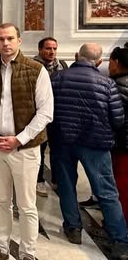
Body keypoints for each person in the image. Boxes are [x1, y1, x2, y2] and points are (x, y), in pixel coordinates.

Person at [0, 23, 53, 260]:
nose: (5, 43)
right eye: (1, 39)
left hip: (25, 149)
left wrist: (19, 139)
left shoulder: (36, 70)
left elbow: (46, 112)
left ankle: (28, 254)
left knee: (26, 206)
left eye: (10, 38)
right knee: (1, 200)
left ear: (19, 40)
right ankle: (1, 249)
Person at [49, 43, 128, 259]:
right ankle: (120, 240)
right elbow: (118, 119)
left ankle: (73, 228)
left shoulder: (56, 78)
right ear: (99, 61)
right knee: (106, 191)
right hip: (96, 144)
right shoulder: (107, 83)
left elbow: (47, 110)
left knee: (66, 186)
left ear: (77, 56)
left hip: (62, 141)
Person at [33, 36, 67, 197]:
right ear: (40, 49)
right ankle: (38, 180)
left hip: (58, 113)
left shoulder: (62, 65)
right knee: (39, 148)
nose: (52, 52)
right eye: (48, 48)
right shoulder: (33, 66)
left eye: (54, 48)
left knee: (57, 149)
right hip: (39, 113)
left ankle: (56, 179)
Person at [109, 46, 128, 224]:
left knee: (121, 183)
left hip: (122, 143)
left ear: (116, 62)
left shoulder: (117, 86)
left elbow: (116, 118)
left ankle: (120, 222)